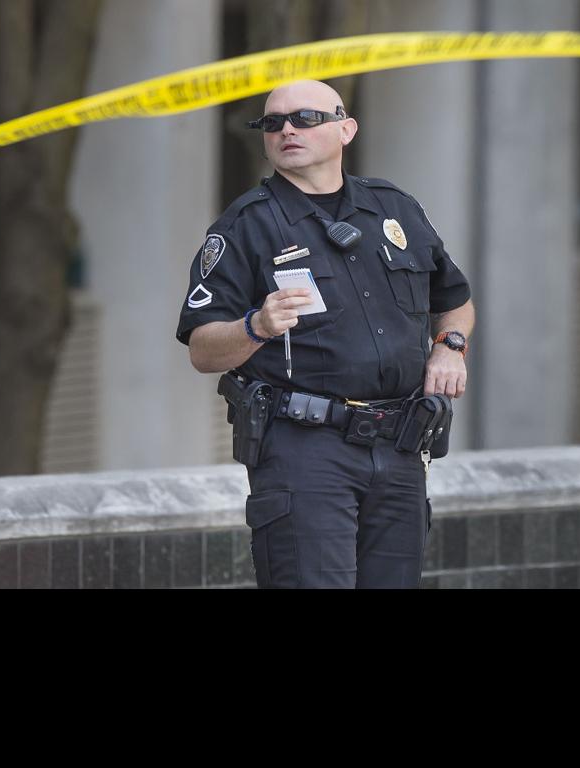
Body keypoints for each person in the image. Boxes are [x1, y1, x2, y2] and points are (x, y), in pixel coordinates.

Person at [175, 80, 475, 588]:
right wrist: (256, 325)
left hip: (400, 445)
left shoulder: (393, 208)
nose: (287, 130)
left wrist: (450, 347)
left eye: (304, 118)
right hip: (304, 451)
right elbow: (203, 349)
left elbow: (455, 302)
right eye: (273, 123)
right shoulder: (245, 226)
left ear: (345, 129)